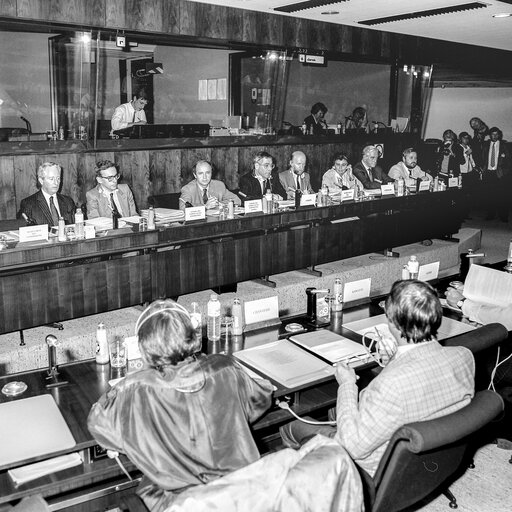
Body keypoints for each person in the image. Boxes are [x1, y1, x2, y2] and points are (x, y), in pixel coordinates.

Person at [87, 299, 273, 511]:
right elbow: (261, 399)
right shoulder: (226, 367)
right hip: (244, 494)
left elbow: (99, 424)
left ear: (143, 347)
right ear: (192, 335)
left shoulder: (132, 388)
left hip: (180, 503)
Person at [280, 280, 475, 477]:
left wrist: (347, 385)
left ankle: (308, 486)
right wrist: (395, 362)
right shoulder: (464, 356)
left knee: (290, 424)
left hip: (374, 472)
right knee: (337, 411)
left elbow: (350, 446)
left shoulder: (391, 385)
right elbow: (421, 383)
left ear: (391, 322)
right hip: (433, 460)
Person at [17, 162, 76, 227]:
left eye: (58, 178)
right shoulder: (29, 204)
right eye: (51, 179)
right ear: (41, 180)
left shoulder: (68, 202)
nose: (56, 183)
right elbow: (24, 231)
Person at [482, 126, 511, 221]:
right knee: (489, 196)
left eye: (496, 134)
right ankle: (490, 215)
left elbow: (509, 160)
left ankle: (503, 216)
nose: (494, 136)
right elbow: (482, 158)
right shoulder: (486, 145)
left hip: (500, 174)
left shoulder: (504, 145)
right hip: (489, 173)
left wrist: (504, 171)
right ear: (489, 135)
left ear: (499, 135)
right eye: (492, 134)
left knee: (502, 196)